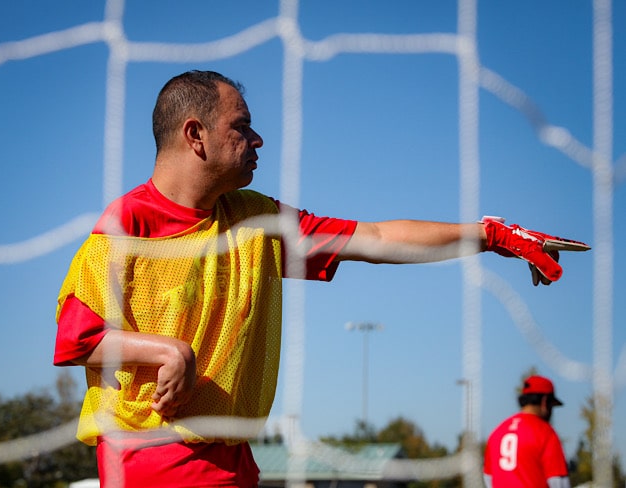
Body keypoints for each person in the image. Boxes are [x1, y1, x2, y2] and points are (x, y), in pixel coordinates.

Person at [54, 70, 583, 487]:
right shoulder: (126, 226)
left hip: (234, 455)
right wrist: (171, 352)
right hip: (154, 455)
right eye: (241, 126)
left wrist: (491, 235)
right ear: (195, 135)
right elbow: (80, 340)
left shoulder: (254, 218)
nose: (258, 139)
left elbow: (373, 237)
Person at [483, 375, 570, 487]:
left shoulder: (497, 432)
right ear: (544, 402)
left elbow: (489, 479)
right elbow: (559, 482)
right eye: (551, 406)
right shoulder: (545, 432)